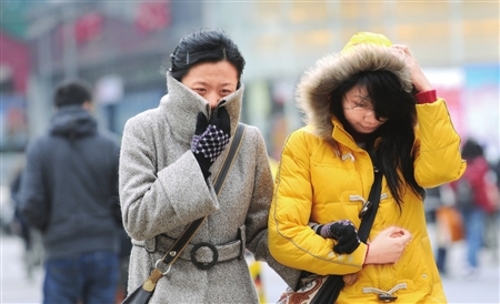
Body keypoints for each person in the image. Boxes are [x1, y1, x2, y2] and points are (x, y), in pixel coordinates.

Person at [268, 32, 465, 303]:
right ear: (334, 95)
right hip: (344, 297)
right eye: (360, 104)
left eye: (384, 107)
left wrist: (423, 87)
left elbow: (443, 170)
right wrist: (365, 254)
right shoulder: (305, 144)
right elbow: (284, 236)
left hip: (418, 296)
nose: (372, 117)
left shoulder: (409, 139)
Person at [118, 28, 300, 303]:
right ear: (177, 85)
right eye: (200, 90)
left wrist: (316, 269)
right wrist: (198, 162)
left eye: (225, 90)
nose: (213, 100)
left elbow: (263, 230)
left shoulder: (247, 140)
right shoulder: (143, 130)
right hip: (163, 289)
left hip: (232, 291)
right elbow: (137, 219)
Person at [19, 79, 122, 304]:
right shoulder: (110, 145)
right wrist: (109, 225)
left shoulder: (40, 147)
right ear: (89, 105)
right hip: (102, 246)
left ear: (56, 108)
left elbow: (29, 203)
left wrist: (51, 229)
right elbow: (123, 200)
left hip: (60, 249)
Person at [451, 138, 497, 277]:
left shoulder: (459, 164)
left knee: (467, 233)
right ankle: (471, 263)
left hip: (462, 204)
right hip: (477, 204)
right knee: (475, 234)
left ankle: (468, 261)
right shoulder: (481, 165)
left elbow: (452, 182)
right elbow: (484, 186)